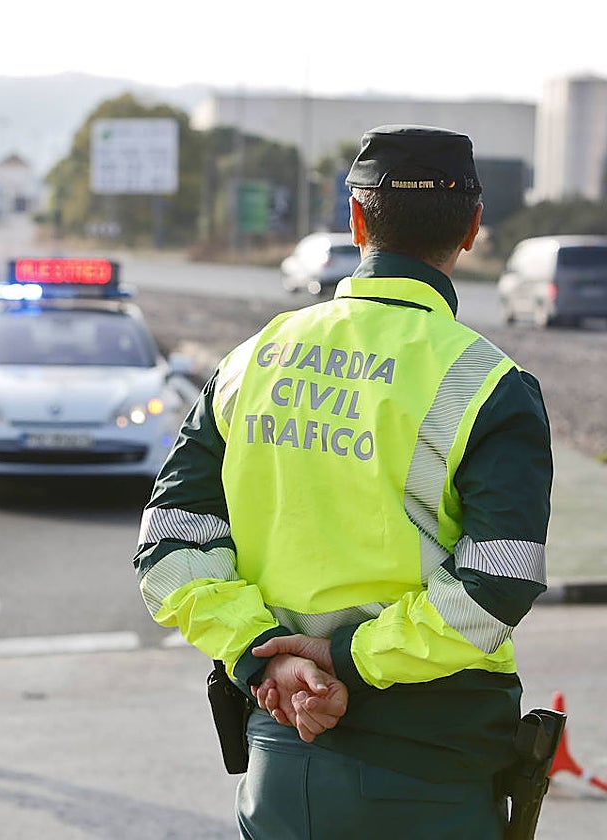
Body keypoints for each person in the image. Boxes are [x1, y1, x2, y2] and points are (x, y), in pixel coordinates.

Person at [133, 125, 552, 838]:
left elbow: (169, 550)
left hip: (281, 760)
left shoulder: (252, 359)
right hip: (433, 771)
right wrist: (349, 660)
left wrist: (263, 658)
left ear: (355, 218)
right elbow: (496, 588)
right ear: (474, 228)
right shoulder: (490, 386)